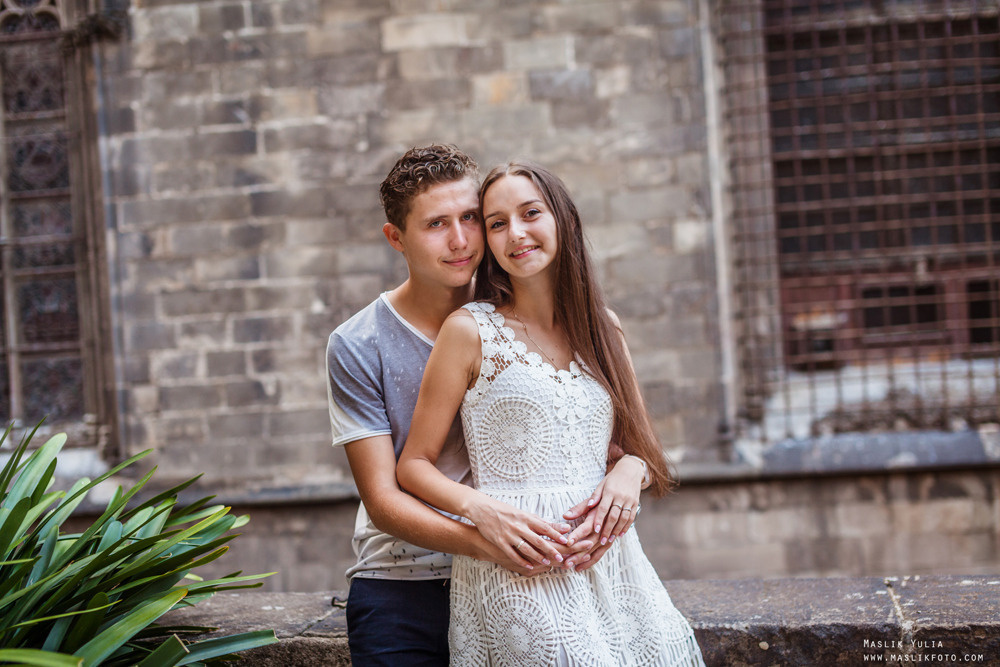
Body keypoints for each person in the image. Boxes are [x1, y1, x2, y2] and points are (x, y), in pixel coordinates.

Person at [327, 145, 641, 665]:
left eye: (471, 218)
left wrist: (633, 466)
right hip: (406, 580)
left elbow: (609, 440)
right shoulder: (358, 343)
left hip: (528, 577)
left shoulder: (532, 317)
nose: (460, 240)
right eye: (436, 224)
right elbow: (383, 499)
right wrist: (483, 536)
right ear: (396, 238)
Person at [397, 160, 707, 665]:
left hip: (614, 564)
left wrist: (630, 471)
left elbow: (643, 450)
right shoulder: (469, 330)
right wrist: (480, 511)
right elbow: (413, 465)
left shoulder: (604, 328)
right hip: (516, 565)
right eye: (497, 223)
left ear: (563, 218)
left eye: (530, 213)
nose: (516, 234)